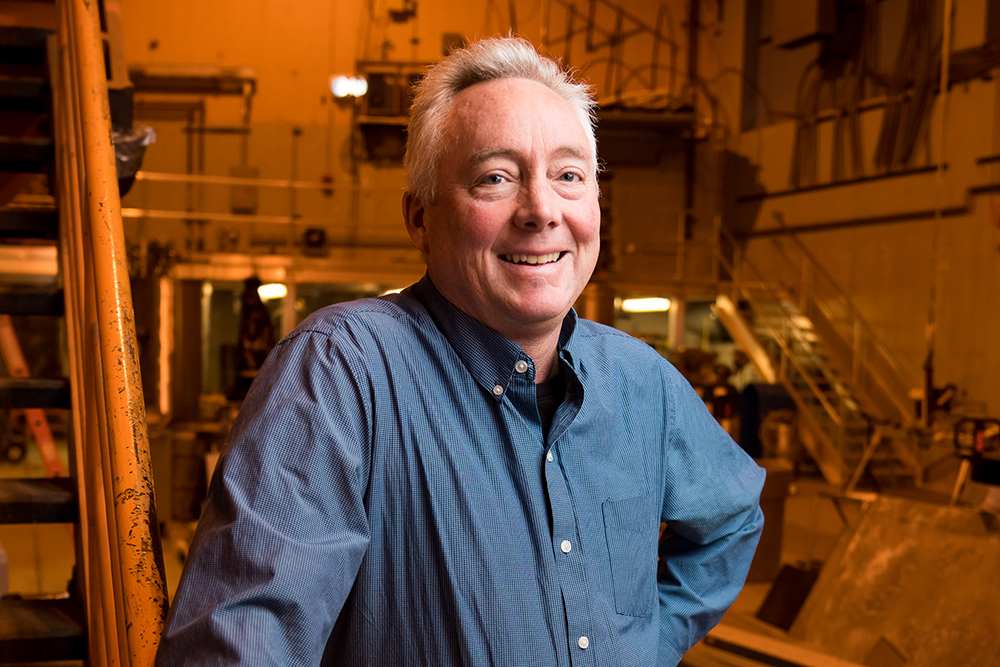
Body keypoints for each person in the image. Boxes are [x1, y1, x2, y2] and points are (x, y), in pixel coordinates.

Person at [156, 36, 765, 667]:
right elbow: (241, 640)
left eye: (568, 176)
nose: (541, 210)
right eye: (495, 178)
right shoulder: (342, 371)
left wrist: (646, 645)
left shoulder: (644, 383)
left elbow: (731, 519)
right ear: (420, 219)